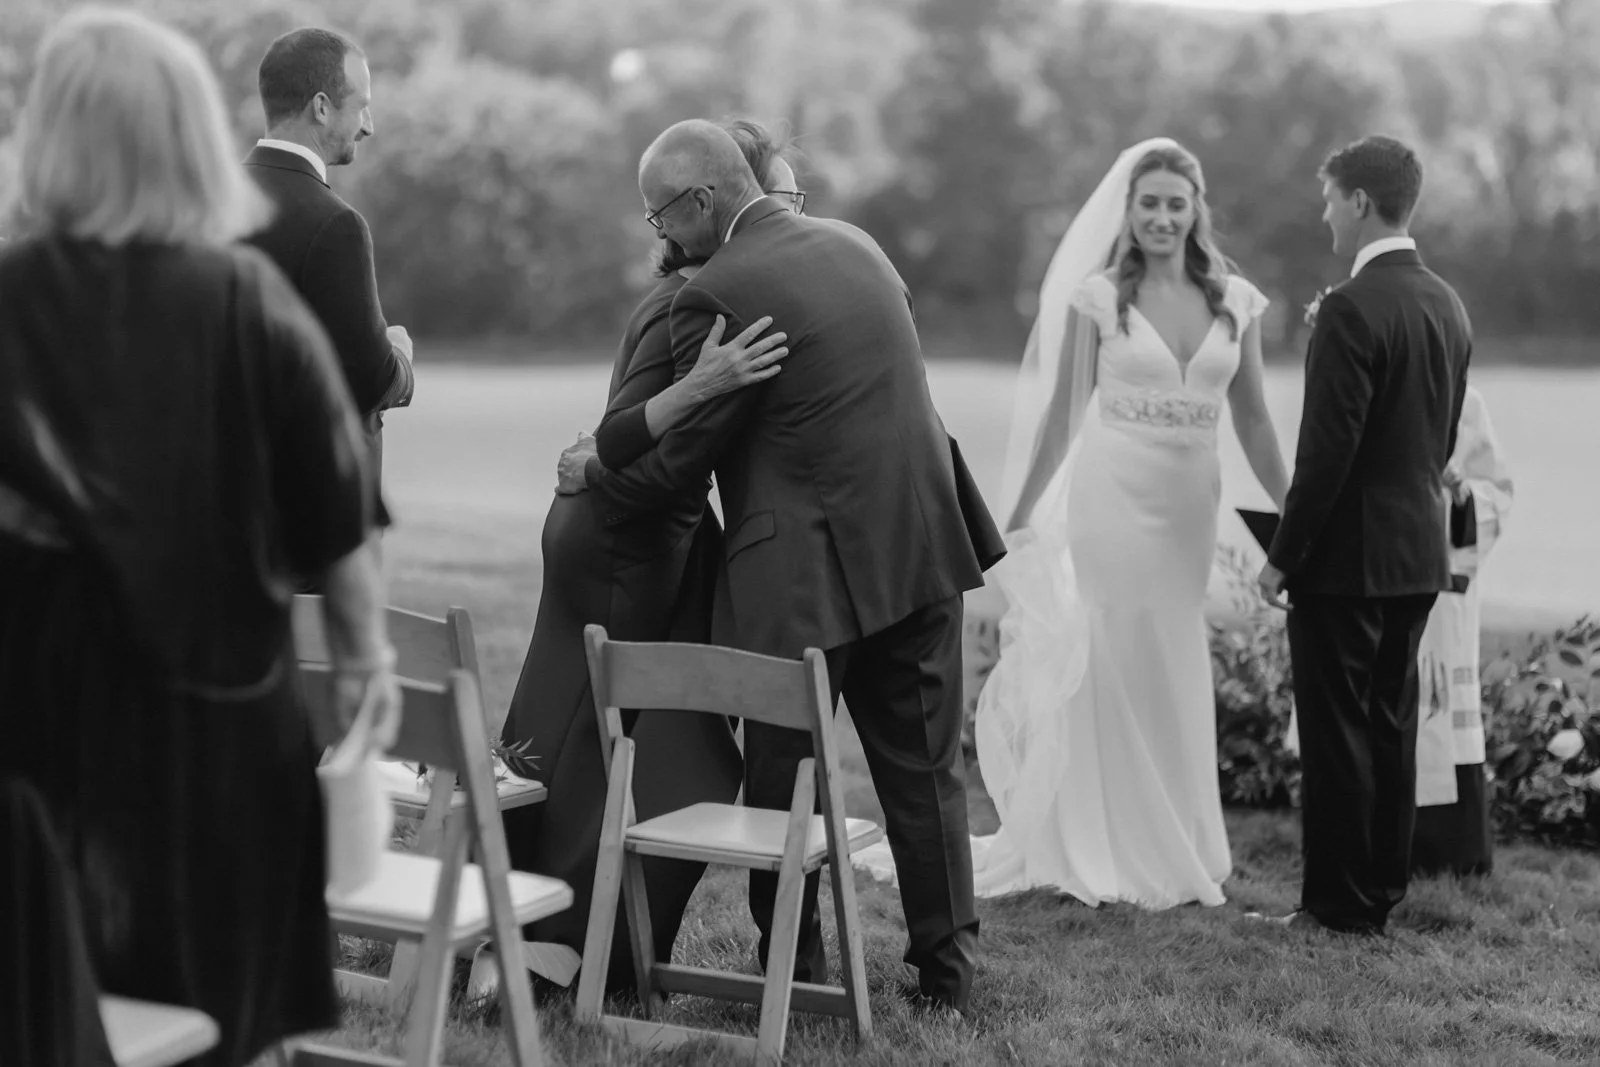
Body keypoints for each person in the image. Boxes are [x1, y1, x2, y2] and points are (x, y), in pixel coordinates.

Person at [0, 8, 401, 1065]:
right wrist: (364, 657)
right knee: (222, 1014)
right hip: (214, 719)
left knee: (53, 1008)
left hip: (36, 722)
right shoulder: (244, 300)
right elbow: (338, 507)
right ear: (183, 132)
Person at [562, 119, 995, 1017]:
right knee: (926, 771)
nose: (661, 239)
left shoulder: (713, 292)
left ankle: (793, 976)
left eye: (662, 217)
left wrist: (597, 461)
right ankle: (948, 978)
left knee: (782, 782)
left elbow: (676, 466)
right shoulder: (860, 244)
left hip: (803, 578)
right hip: (919, 542)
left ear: (705, 200)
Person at [862, 139, 1289, 910]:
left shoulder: (1237, 300)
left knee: (1173, 648)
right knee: (1114, 647)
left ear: (1197, 212)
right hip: (1113, 498)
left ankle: (1182, 836)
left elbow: (1254, 418)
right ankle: (1103, 837)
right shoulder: (1100, 299)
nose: (1161, 216)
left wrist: (1294, 513)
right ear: (1129, 212)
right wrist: (1015, 519)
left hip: (1190, 503)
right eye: (1148, 202)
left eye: (1175, 202)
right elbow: (1061, 419)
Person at [496, 119, 797, 997]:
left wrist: (596, 464)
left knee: (565, 722)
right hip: (626, 535)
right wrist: (609, 458)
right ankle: (569, 948)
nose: (776, 220)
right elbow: (649, 460)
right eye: (768, 201)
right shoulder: (693, 303)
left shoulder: (678, 295)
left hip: (605, 530)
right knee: (642, 746)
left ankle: (514, 926)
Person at [1255, 135, 1471, 934]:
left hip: (1348, 561)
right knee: (1389, 724)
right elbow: (1443, 440)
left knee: (1337, 730)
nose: (1324, 217)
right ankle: (1378, 890)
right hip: (1419, 553)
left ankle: (1335, 906)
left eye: (1328, 201)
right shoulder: (1448, 302)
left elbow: (1326, 454)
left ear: (1356, 202)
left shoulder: (1350, 306)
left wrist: (1283, 558)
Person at [243, 27, 414, 538]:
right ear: (321, 107)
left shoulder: (209, 207)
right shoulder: (334, 224)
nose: (369, 126)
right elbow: (367, 379)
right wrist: (399, 355)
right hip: (309, 520)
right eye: (360, 107)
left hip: (223, 507)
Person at [1411, 385, 1511, 877]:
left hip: (1445, 575)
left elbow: (1499, 494)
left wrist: (1461, 494)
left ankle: (1453, 850)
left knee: (1441, 701)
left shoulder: (1465, 400)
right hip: (1385, 566)